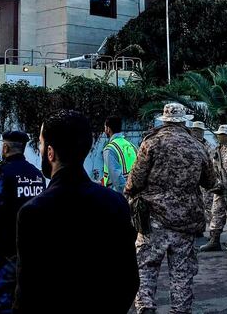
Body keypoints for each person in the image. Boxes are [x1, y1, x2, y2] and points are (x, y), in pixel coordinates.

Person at [15, 110, 138, 314]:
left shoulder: (33, 212)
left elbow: (27, 292)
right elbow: (129, 279)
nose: (40, 149)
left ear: (51, 153)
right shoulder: (115, 203)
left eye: (41, 143)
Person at [126, 103, 216, 314]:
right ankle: (180, 310)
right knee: (182, 273)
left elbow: (135, 181)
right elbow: (210, 181)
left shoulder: (151, 143)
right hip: (186, 221)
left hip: (153, 220)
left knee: (146, 268)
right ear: (184, 121)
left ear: (164, 120)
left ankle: (146, 307)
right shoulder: (197, 145)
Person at [0, 131, 44, 314]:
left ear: (5, 148)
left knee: (3, 299)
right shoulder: (36, 175)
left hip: (4, 250)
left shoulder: (2, 173)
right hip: (31, 250)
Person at [201, 123, 227, 253]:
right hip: (220, 187)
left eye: (222, 135)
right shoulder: (217, 150)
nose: (219, 137)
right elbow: (213, 168)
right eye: (219, 135)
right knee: (216, 212)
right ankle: (214, 240)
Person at [101, 115, 137, 194]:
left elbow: (116, 177)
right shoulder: (132, 146)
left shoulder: (110, 149)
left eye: (105, 127)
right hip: (134, 192)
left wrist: (125, 195)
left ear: (108, 129)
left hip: (118, 194)